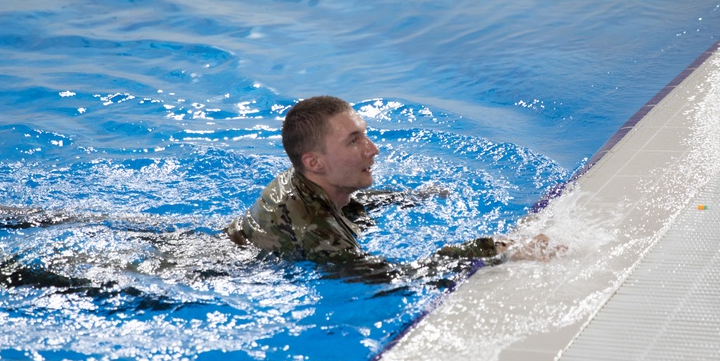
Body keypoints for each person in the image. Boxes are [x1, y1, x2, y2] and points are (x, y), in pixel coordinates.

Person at [225, 95, 563, 266]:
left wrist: (407, 197)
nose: (373, 150)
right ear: (314, 162)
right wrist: (497, 249)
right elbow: (394, 277)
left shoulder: (306, 180)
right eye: (354, 141)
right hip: (214, 273)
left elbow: (347, 203)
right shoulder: (318, 228)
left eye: (366, 136)